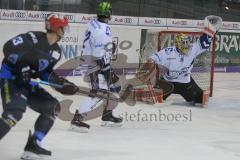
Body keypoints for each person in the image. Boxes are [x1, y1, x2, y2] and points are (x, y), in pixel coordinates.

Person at [0, 13, 79, 160]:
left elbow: (45, 73)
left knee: (52, 106)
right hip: (10, 80)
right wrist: (21, 67)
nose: (65, 31)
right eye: (64, 28)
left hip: (27, 83)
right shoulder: (32, 38)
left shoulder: (56, 52)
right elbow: (8, 48)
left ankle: (34, 145)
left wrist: (61, 84)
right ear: (57, 28)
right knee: (14, 113)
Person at [135, 15, 222, 106]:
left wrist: (210, 32)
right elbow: (152, 59)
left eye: (186, 42)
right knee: (154, 98)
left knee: (201, 99)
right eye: (183, 43)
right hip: (167, 82)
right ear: (177, 44)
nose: (186, 45)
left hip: (185, 83)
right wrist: (147, 68)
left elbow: (204, 42)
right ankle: (143, 92)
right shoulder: (168, 52)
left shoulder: (192, 49)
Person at [70, 1, 123, 132]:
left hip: (95, 60)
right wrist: (108, 57)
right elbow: (99, 58)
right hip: (93, 64)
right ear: (109, 13)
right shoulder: (102, 32)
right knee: (98, 93)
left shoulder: (93, 22)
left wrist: (109, 50)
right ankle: (77, 120)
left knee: (115, 87)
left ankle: (107, 116)